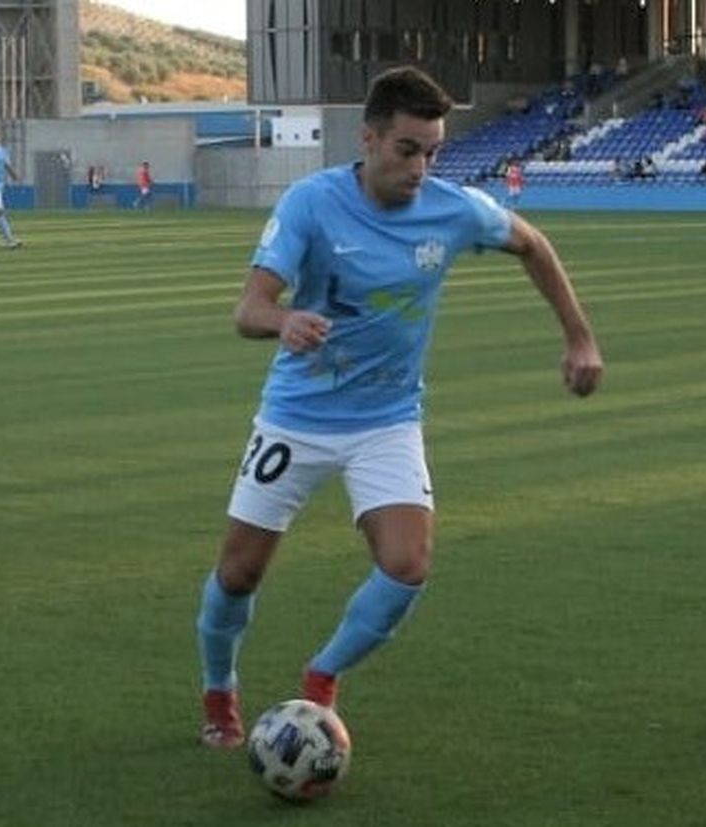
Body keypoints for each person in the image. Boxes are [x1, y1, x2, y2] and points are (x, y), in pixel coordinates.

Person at [195, 66, 604, 749]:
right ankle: (218, 690)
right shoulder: (310, 203)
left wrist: (580, 335)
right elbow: (249, 308)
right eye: (407, 149)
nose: (421, 166)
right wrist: (284, 321)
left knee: (408, 563)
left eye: (433, 151)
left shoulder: (454, 209)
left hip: (386, 419)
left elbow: (532, 244)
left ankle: (321, 680)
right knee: (239, 571)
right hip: (295, 417)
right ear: (371, 138)